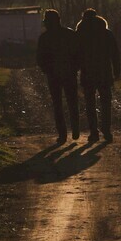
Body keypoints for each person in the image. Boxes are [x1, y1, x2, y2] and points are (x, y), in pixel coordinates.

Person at [75, 8, 121, 144]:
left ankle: (93, 132)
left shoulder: (80, 34)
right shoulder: (106, 33)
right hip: (104, 72)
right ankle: (106, 129)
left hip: (87, 72)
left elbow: (76, 54)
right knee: (106, 102)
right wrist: (117, 71)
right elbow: (115, 54)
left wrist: (75, 69)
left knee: (90, 103)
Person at [36, 9, 80, 145]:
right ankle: (75, 129)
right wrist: (75, 68)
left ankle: (62, 134)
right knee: (72, 102)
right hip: (69, 73)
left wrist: (47, 70)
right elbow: (78, 54)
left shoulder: (44, 38)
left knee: (57, 105)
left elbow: (40, 58)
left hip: (53, 75)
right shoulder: (70, 34)